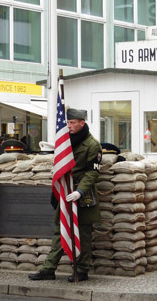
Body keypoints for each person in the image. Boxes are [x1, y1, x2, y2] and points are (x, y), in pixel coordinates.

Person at [29, 108, 102, 283]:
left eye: (72, 123)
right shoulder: (65, 142)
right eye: (68, 122)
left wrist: (80, 191)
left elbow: (92, 173)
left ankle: (82, 269)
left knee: (82, 234)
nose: (69, 126)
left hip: (81, 195)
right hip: (65, 192)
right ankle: (49, 268)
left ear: (82, 123)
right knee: (59, 231)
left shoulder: (93, 145)